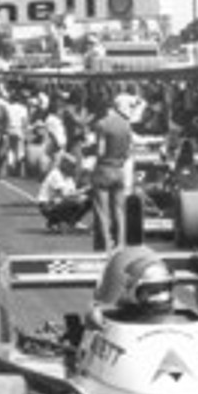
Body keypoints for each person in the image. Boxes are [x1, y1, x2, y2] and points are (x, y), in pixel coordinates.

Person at [89, 94, 134, 252]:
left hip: (104, 168)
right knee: (119, 210)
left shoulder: (102, 124)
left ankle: (106, 244)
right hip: (119, 169)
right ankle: (121, 244)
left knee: (103, 211)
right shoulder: (126, 125)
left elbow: (100, 150)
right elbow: (129, 151)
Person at [91, 246, 180, 324]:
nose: (160, 296)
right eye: (152, 290)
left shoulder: (180, 318)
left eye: (164, 288)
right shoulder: (104, 318)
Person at [37, 154, 91, 233]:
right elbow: (64, 194)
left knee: (88, 201)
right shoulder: (55, 174)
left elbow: (72, 192)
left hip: (58, 202)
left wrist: (87, 194)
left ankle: (72, 222)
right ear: (64, 164)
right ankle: (56, 221)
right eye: (71, 166)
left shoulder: (69, 178)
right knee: (76, 202)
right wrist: (83, 191)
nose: (73, 168)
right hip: (47, 205)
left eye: (73, 166)